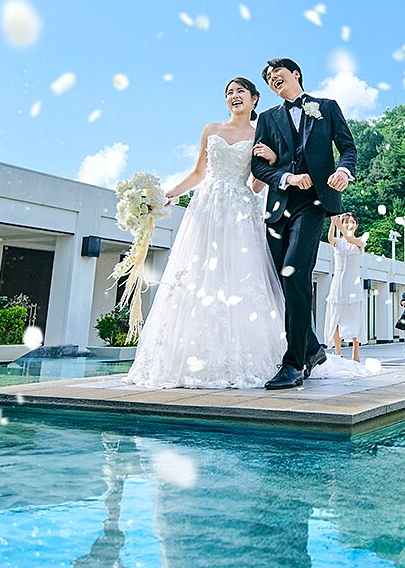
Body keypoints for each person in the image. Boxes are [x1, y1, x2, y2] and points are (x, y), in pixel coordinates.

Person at [126, 78, 287, 389]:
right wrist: (166, 195)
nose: (234, 96)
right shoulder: (211, 129)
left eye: (240, 91)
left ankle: (241, 359)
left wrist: (272, 161)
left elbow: (256, 184)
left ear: (254, 99)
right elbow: (199, 173)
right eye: (229, 92)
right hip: (207, 206)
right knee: (197, 276)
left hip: (240, 210)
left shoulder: (260, 136)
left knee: (240, 276)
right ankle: (187, 357)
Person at [251, 57, 357, 389]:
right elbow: (258, 168)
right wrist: (286, 176)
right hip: (279, 207)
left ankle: (294, 363)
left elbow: (348, 148)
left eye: (276, 73)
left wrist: (342, 171)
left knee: (295, 272)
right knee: (282, 282)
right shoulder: (268, 119)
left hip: (314, 204)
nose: (272, 78)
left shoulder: (326, 106)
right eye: (268, 78)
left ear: (295, 73)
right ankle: (312, 348)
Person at [323, 213, 366, 362]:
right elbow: (330, 239)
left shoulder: (359, 241)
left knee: (355, 317)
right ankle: (338, 352)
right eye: (346, 222)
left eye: (352, 222)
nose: (349, 225)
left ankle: (356, 352)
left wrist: (339, 223)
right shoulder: (338, 242)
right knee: (335, 317)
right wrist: (332, 223)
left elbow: (349, 238)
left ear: (357, 225)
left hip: (353, 286)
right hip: (338, 284)